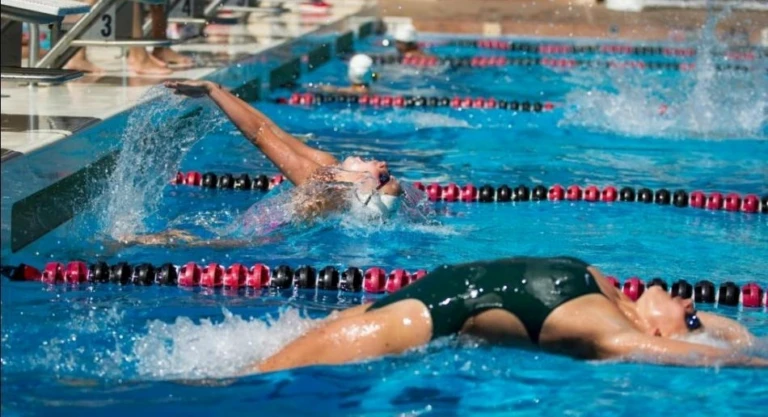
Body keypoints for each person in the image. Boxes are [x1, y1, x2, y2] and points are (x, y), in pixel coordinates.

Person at [250, 256, 766, 373]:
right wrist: (720, 334)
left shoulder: (604, 330)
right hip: (411, 296)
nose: (694, 305)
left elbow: (679, 352)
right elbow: (735, 332)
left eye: (691, 318)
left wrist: (751, 362)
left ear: (658, 333)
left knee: (246, 380)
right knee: (256, 356)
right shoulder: (614, 297)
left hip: (413, 322)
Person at [116, 79, 403, 246]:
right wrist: (215, 89)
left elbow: (259, 135)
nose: (380, 161)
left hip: (248, 243)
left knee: (164, 241)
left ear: (362, 186)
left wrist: (213, 91)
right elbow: (271, 128)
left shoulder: (326, 188)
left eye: (381, 171)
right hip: (254, 233)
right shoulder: (328, 167)